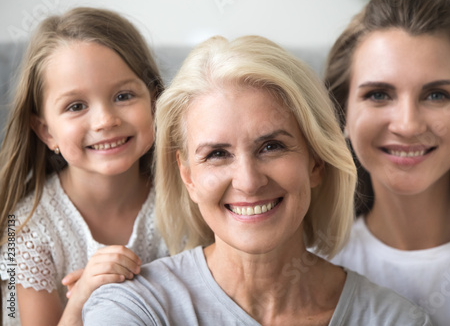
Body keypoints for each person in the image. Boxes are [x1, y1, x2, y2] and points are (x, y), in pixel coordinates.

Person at [83, 35, 431, 325]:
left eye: (271, 146)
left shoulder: (395, 319)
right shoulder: (134, 308)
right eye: (217, 154)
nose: (248, 182)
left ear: (315, 162)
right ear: (187, 175)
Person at [323, 0, 450, 325]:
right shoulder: (315, 266)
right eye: (378, 94)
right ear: (341, 112)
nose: (407, 125)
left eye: (436, 95)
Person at [0, 7, 167, 326]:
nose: (105, 120)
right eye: (76, 106)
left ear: (154, 102)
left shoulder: (182, 199)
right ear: (47, 132)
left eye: (123, 95)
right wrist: (81, 300)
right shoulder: (25, 231)